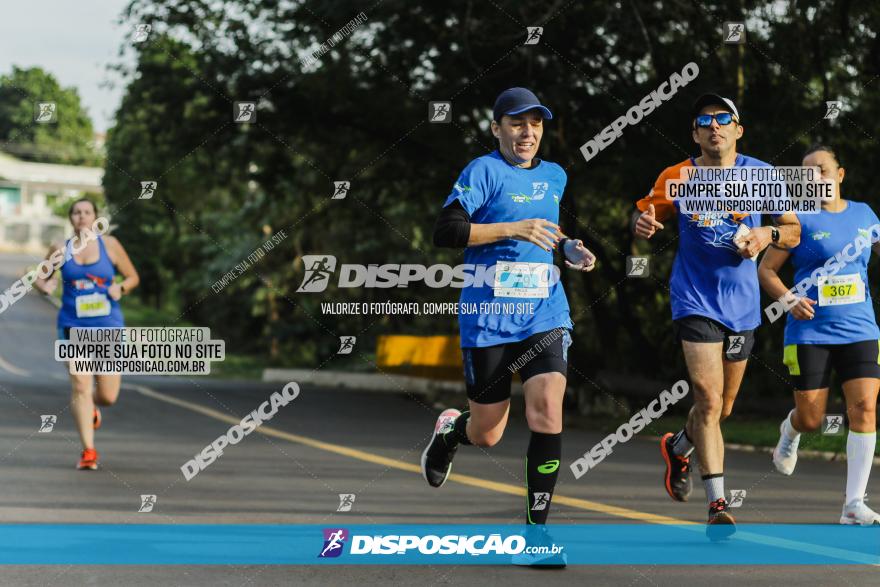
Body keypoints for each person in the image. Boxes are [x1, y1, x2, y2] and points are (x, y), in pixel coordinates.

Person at [421, 87, 596, 566]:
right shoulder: (482, 171)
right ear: (496, 128)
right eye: (516, 123)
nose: (527, 132)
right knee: (488, 434)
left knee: (547, 412)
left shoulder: (555, 175)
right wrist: (511, 230)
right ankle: (451, 431)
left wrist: (568, 248)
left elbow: (548, 231)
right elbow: (447, 231)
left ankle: (536, 535)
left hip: (545, 312)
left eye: (535, 124)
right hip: (489, 319)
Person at [632, 93, 801, 534]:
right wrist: (644, 224)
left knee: (722, 409)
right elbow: (646, 214)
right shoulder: (679, 176)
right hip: (694, 299)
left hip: (743, 307)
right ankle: (718, 504)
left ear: (737, 130)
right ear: (695, 133)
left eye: (723, 119)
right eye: (704, 121)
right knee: (706, 399)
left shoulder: (762, 175)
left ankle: (678, 446)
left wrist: (768, 232)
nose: (714, 126)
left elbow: (794, 231)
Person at [758, 144, 880, 525]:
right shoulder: (797, 221)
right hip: (809, 331)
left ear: (840, 175)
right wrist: (789, 299)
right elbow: (766, 271)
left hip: (860, 328)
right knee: (812, 418)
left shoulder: (865, 214)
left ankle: (853, 504)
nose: (816, 178)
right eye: (807, 173)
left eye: (823, 170)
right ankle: (790, 430)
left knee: (865, 409)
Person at [34, 198, 139, 470]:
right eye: (76, 212)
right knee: (80, 385)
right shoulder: (60, 249)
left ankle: (91, 407)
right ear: (71, 219)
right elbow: (40, 278)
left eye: (87, 212)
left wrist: (122, 289)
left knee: (107, 396)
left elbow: (132, 277)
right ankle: (88, 451)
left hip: (107, 326)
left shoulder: (111, 245)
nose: (82, 216)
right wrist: (45, 286)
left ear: (95, 217)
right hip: (73, 325)